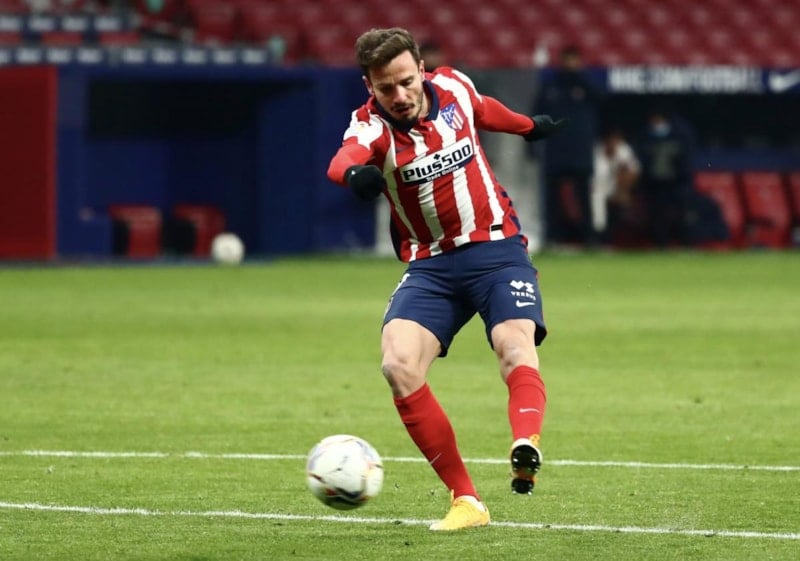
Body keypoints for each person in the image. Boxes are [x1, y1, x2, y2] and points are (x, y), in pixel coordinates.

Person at [327, 28, 567, 531]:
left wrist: (527, 127)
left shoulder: (454, 86)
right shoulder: (370, 127)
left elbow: (483, 109)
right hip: (431, 267)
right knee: (397, 364)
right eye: (386, 88)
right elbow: (343, 158)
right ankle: (466, 500)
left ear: (421, 69)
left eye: (406, 82)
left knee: (514, 345)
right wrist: (353, 175)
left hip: (496, 249)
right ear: (369, 86)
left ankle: (525, 442)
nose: (399, 95)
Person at [530, 45, 600, 248]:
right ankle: (551, 237)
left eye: (574, 59)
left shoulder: (587, 84)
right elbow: (537, 115)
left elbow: (602, 101)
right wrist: (532, 144)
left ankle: (589, 238)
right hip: (556, 149)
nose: (570, 63)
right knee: (551, 196)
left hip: (580, 149)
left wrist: (580, 78)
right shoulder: (551, 85)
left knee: (584, 195)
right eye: (567, 59)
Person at [636, 107, 697, 247]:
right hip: (655, 184)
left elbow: (686, 161)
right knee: (658, 215)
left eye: (657, 121)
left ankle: (686, 244)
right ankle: (661, 244)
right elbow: (643, 160)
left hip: (677, 183)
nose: (655, 125)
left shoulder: (681, 134)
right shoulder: (646, 137)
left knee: (682, 214)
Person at [591, 128, 641, 243]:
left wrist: (623, 191)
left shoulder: (623, 149)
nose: (614, 143)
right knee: (596, 199)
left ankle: (611, 239)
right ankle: (598, 237)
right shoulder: (596, 150)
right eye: (612, 140)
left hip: (616, 186)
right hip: (596, 187)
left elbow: (633, 172)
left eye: (617, 140)